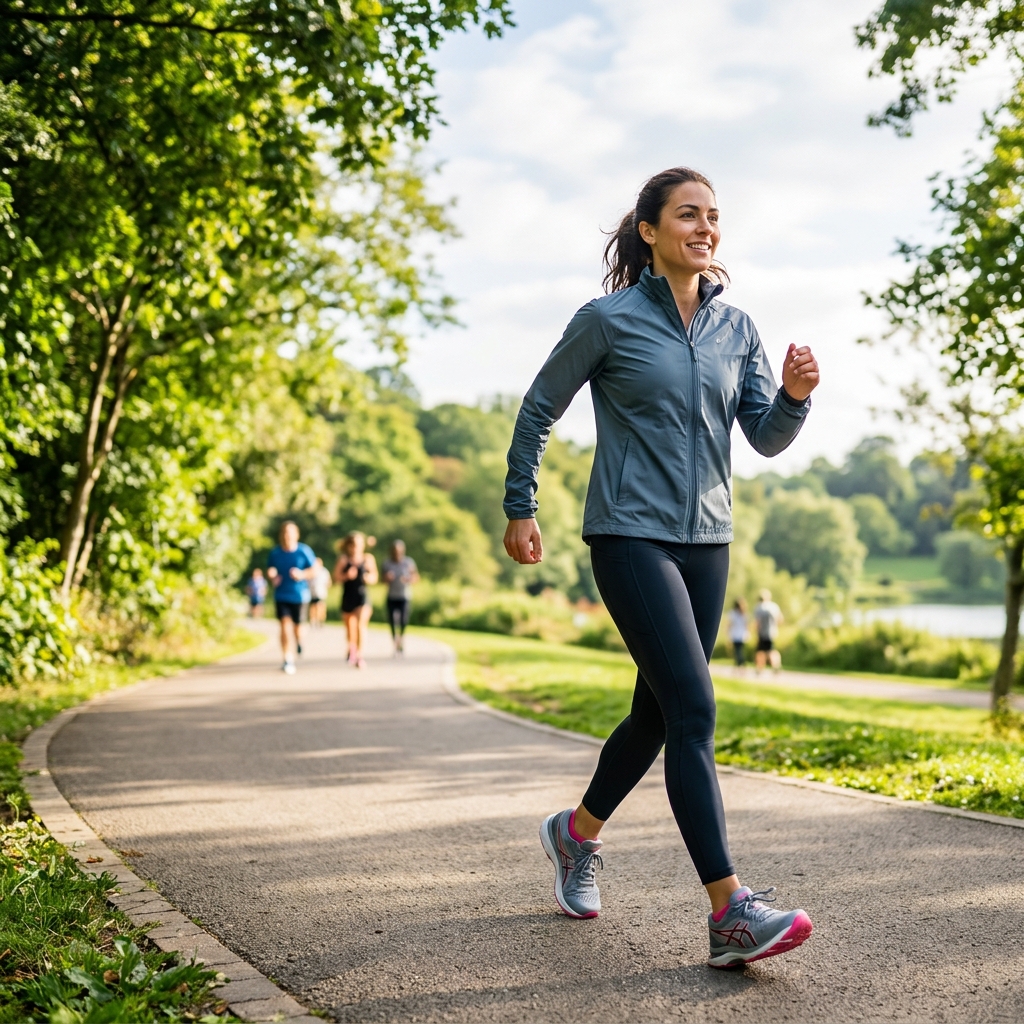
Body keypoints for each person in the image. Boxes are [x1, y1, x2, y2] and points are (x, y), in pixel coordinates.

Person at [503, 167, 819, 968]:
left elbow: (764, 437)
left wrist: (791, 397)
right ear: (650, 230)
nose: (706, 227)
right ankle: (730, 912)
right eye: (689, 215)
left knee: (657, 715)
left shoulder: (736, 327)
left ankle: (575, 836)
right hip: (629, 536)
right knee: (695, 709)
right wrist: (520, 503)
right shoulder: (606, 321)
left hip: (708, 541)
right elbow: (540, 407)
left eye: (714, 216)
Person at [266, 521, 317, 675]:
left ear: (296, 534)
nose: (287, 535)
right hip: (281, 595)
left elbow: (314, 569)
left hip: (300, 595)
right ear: (281, 535)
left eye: (290, 532)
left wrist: (302, 574)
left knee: (298, 628)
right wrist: (272, 575)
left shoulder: (304, 551)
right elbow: (270, 568)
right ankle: (287, 659)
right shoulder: (275, 553)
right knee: (284, 625)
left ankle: (299, 641)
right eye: (285, 533)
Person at [333, 531, 378, 669]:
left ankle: (360, 655)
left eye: (359, 545)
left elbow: (375, 577)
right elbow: (335, 578)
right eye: (353, 545)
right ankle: (351, 647)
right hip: (348, 597)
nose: (356, 548)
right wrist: (346, 576)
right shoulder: (343, 560)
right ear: (348, 546)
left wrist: (367, 578)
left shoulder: (368, 559)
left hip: (362, 597)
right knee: (350, 628)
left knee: (360, 626)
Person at [382, 540, 419, 655]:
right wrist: (387, 578)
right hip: (391, 596)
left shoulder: (408, 562)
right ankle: (395, 642)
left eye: (399, 551)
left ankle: (401, 639)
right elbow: (381, 580)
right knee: (392, 621)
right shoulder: (387, 563)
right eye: (394, 551)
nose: (396, 553)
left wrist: (408, 579)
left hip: (404, 596)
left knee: (403, 620)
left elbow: (416, 577)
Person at [754, 589, 784, 673]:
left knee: (760, 651)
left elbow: (757, 622)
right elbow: (780, 619)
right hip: (772, 632)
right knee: (771, 649)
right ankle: (776, 665)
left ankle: (760, 668)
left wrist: (755, 631)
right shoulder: (774, 606)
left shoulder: (759, 607)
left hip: (762, 632)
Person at [309, 557, 332, 627]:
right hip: (312, 592)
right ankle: (313, 620)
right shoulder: (312, 570)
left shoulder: (324, 572)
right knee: (313, 607)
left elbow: (329, 581)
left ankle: (320, 620)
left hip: (321, 592)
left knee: (320, 606)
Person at [728, 597, 748, 667]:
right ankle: (740, 663)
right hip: (742, 635)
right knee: (740, 650)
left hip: (735, 634)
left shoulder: (732, 613)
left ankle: (740, 663)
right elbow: (746, 625)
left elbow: (730, 624)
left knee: (737, 651)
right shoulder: (744, 613)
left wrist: (728, 633)